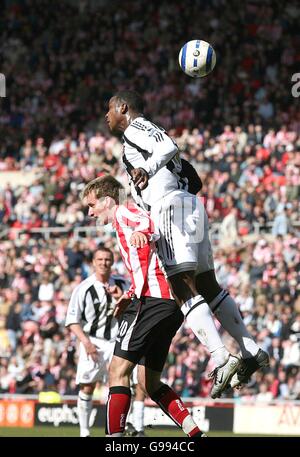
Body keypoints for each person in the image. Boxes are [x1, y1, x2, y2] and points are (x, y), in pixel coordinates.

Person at [105, 90, 269, 394]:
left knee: (181, 285)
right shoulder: (148, 136)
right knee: (208, 286)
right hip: (189, 204)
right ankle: (250, 351)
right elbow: (194, 180)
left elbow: (167, 146)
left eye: (109, 110)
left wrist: (149, 172)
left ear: (123, 108)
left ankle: (221, 358)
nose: (106, 116)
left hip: (170, 207)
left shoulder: (136, 128)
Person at [81, 176, 206, 437]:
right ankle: (195, 434)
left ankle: (114, 440)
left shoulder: (124, 211)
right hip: (168, 305)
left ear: (107, 201)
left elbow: (146, 222)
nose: (90, 212)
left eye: (92, 205)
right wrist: (128, 292)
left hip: (150, 302)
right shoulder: (120, 221)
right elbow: (146, 263)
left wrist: (142, 232)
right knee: (149, 383)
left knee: (118, 372)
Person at [65, 247, 127, 437]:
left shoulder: (124, 284)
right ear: (93, 262)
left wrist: (120, 298)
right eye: (100, 259)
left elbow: (136, 309)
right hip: (94, 342)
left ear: (113, 262)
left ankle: (119, 430)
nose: (104, 263)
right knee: (87, 386)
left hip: (117, 343)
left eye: (107, 259)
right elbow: (72, 321)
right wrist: (86, 343)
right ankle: (84, 431)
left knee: (120, 386)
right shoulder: (83, 288)